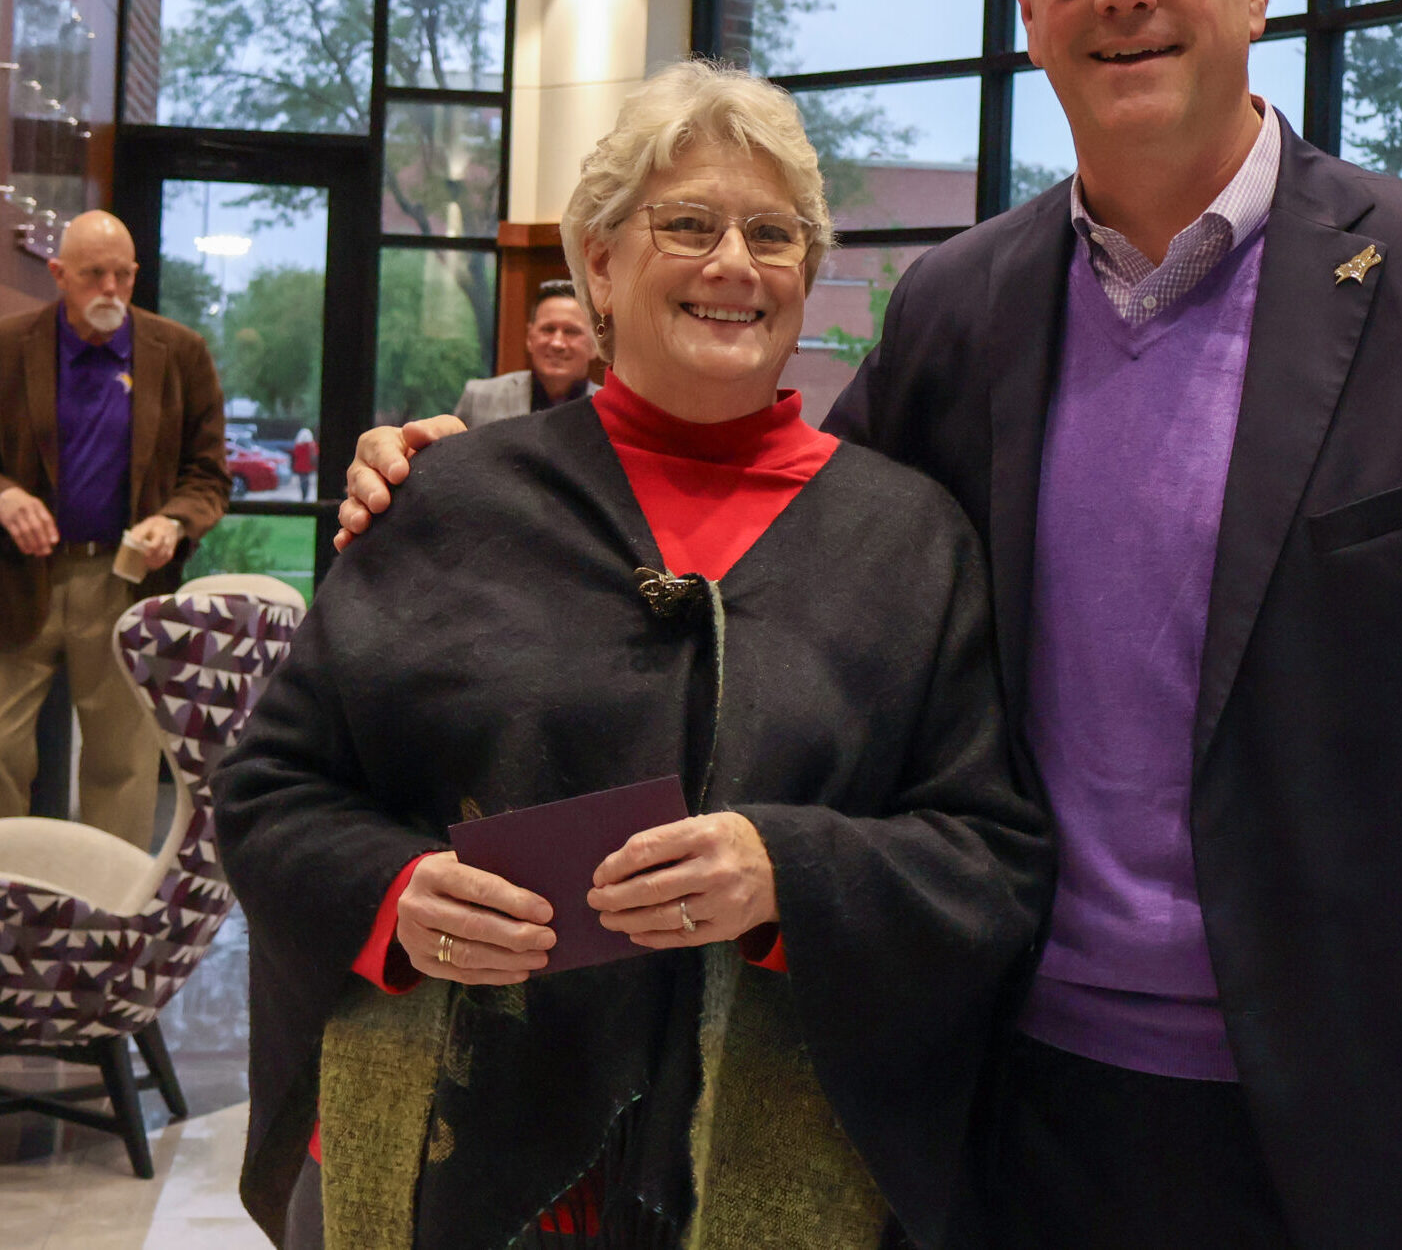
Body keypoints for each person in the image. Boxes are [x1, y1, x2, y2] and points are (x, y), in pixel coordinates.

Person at [342, 0, 1402, 1250]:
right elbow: (760, 536)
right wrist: (464, 490)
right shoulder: (959, 309)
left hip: (1372, 1112)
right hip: (1010, 1093)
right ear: (1024, 9)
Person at [215, 61, 1049, 1250]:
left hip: (775, 1172)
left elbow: (993, 859)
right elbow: (267, 792)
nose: (733, 265)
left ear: (806, 278)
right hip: (459, 1157)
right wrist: (394, 898)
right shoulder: (446, 499)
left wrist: (787, 879)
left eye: (774, 235)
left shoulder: (911, 540)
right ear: (598, 262)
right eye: (689, 225)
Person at [0, 210, 229, 848]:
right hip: (19, 579)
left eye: (121, 275)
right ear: (58, 274)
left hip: (124, 581)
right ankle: (9, 906)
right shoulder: (10, 345)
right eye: (92, 274)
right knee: (0, 750)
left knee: (121, 760)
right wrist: (5, 495)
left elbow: (209, 474)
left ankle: (109, 914)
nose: (109, 289)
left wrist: (173, 520)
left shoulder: (179, 353)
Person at [452, 278, 595, 428]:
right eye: (548, 329)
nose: (557, 343)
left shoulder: (611, 408)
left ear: (595, 346)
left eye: (571, 332)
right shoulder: (479, 397)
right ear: (529, 338)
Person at [291, 427, 318, 499]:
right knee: (307, 481)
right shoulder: (312, 445)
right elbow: (316, 454)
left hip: (300, 466)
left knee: (302, 481)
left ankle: (303, 495)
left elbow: (296, 455)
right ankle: (306, 495)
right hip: (308, 466)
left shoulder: (298, 445)